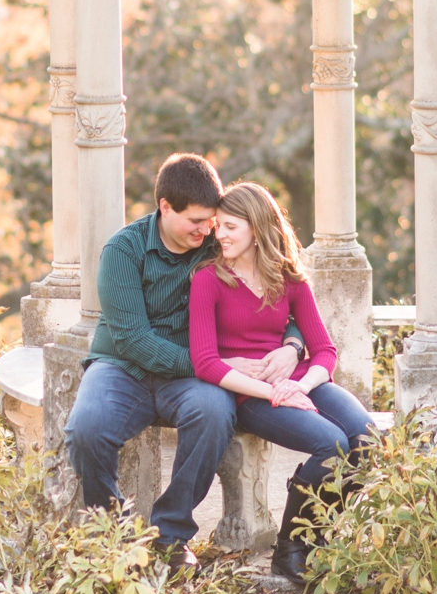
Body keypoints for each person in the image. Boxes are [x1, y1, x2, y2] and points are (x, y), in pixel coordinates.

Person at [64, 154, 308, 569]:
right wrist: (214, 364)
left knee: (214, 412)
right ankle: (113, 535)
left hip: (191, 377)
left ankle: (170, 535)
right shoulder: (123, 250)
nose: (206, 229)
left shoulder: (220, 244)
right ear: (164, 207)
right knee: (86, 429)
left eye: (211, 219)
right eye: (195, 220)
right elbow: (135, 341)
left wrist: (292, 343)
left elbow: (285, 295)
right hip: (125, 366)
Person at [187, 181, 375, 582]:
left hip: (296, 382)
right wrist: (273, 391)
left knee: (366, 438)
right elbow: (205, 363)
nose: (219, 234)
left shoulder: (289, 278)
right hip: (250, 393)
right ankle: (290, 549)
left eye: (230, 227)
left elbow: (325, 352)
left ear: (256, 228)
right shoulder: (208, 279)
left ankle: (320, 539)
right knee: (331, 445)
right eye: (218, 226)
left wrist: (299, 385)